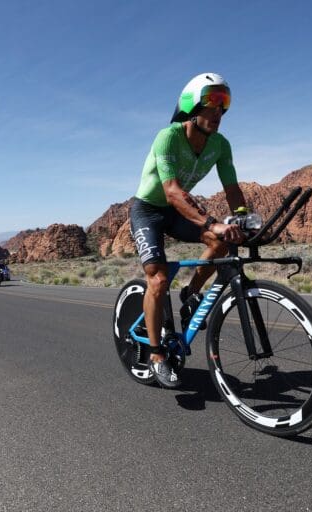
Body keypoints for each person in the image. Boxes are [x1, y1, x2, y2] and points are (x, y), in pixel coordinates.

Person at [129, 72, 247, 389]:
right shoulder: (167, 136)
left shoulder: (220, 145)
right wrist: (212, 221)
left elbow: (233, 189)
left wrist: (241, 217)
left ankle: (191, 291)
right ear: (191, 104)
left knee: (220, 241)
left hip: (177, 210)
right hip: (149, 210)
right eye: (211, 101)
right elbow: (171, 192)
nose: (218, 111)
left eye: (224, 104)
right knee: (158, 277)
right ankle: (156, 356)